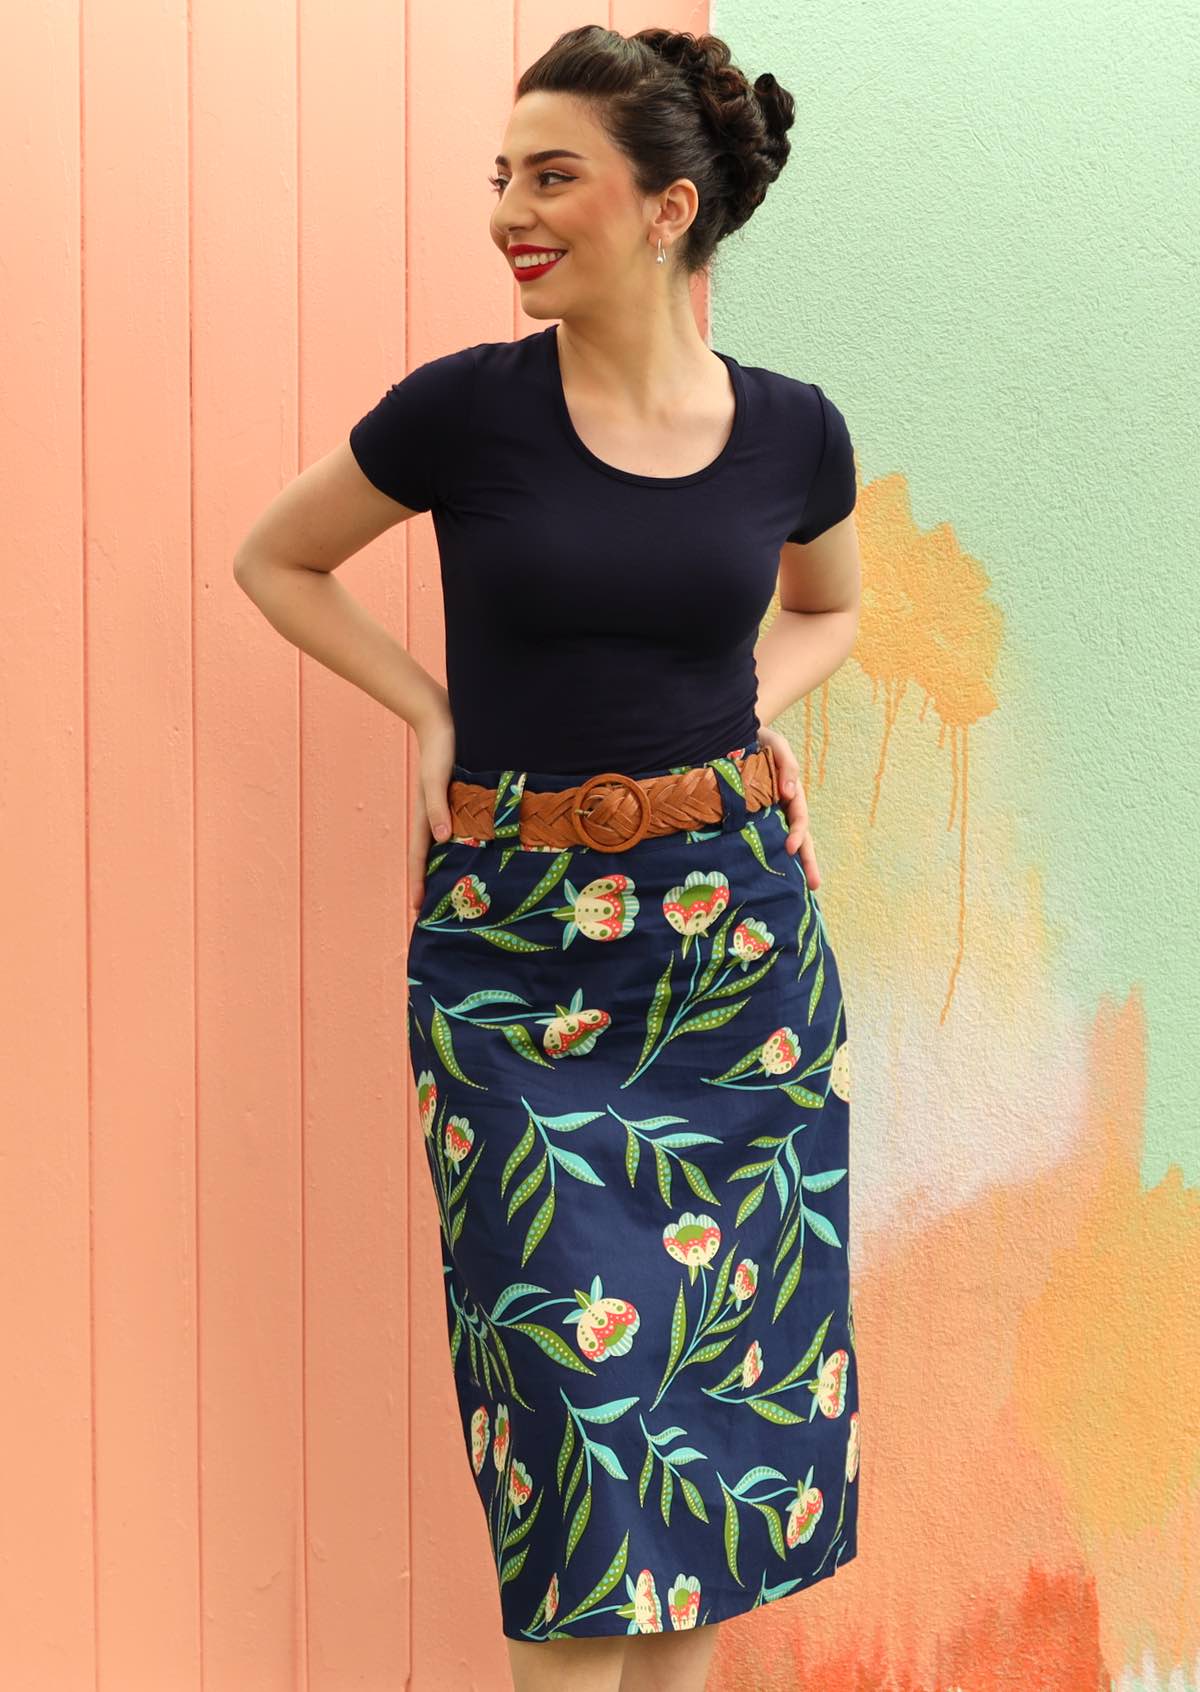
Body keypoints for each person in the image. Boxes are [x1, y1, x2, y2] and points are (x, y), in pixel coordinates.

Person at [234, 25, 863, 1692]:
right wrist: (427, 714)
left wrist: (750, 714)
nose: (509, 210)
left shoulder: (794, 432)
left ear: (668, 210)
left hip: (737, 965)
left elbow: (833, 607)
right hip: (514, 964)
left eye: (549, 175)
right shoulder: (461, 415)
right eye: (500, 177)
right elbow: (276, 561)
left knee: (712, 1438)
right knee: (572, 1438)